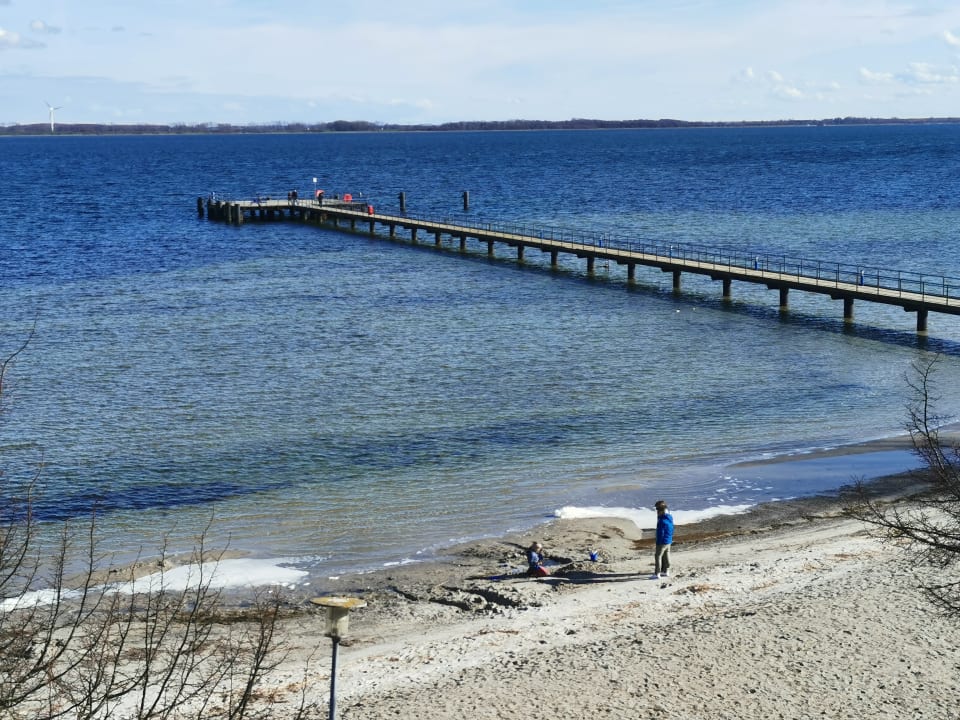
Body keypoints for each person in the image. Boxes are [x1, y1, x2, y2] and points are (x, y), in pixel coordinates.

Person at [652, 500, 674, 579]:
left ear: (660, 510)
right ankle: (666, 571)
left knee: (658, 556)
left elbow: (660, 533)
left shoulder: (662, 521)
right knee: (666, 555)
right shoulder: (669, 517)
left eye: (657, 510)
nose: (657, 512)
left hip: (662, 541)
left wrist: (658, 542)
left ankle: (657, 573)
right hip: (669, 540)